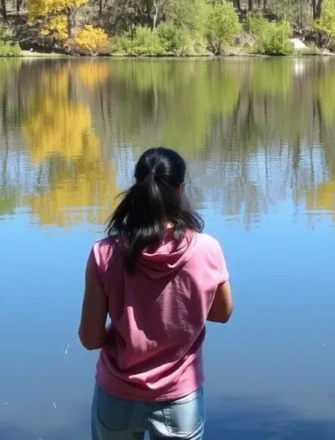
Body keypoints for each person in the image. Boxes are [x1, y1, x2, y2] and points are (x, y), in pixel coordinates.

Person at [79, 147, 233, 440]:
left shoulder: (104, 254)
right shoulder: (206, 249)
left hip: (117, 395)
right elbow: (222, 313)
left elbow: (90, 339)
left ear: (137, 188)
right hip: (180, 399)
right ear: (181, 189)